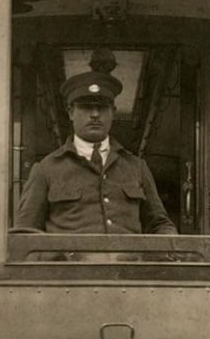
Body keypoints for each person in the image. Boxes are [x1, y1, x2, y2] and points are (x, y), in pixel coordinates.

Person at [14, 70, 177, 234]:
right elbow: (26, 232)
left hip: (128, 260)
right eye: (86, 107)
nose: (95, 114)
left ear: (113, 112)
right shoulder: (46, 169)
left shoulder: (136, 167)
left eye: (102, 107)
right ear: (71, 112)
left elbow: (161, 225)